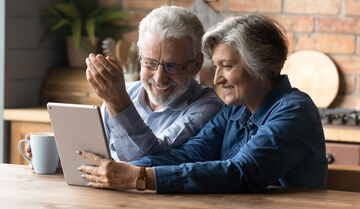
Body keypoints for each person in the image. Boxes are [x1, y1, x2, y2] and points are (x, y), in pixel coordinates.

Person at [77, 14, 327, 193]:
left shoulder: (294, 110)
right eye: (216, 66)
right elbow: (189, 155)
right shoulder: (234, 110)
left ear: (260, 69)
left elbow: (242, 172)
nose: (217, 79)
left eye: (227, 67)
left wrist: (140, 176)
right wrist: (121, 169)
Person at [25, 6, 223, 164]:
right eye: (150, 63)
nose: (160, 77)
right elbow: (96, 155)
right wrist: (60, 157)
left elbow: (146, 161)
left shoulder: (208, 107)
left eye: (172, 66)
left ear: (196, 64)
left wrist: (117, 101)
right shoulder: (126, 91)